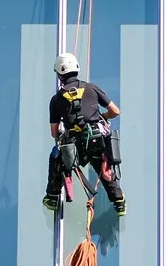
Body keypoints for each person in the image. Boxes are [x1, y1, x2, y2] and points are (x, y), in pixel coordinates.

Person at [42, 52, 125, 215]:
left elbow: (54, 132)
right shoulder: (92, 88)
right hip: (95, 141)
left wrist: (63, 133)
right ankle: (119, 202)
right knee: (104, 167)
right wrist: (102, 116)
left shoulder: (57, 99)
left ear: (60, 74)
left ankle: (52, 197)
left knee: (57, 160)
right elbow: (115, 111)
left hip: (74, 147)